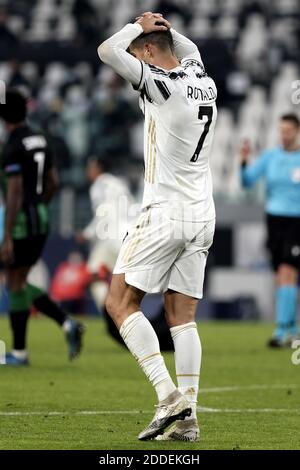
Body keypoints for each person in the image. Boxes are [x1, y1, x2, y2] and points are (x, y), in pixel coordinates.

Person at [98, 11, 217, 441]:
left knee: (118, 302)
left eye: (139, 52)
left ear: (148, 51)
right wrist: (164, 28)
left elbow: (106, 50)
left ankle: (169, 396)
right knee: (181, 315)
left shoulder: (161, 85)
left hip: (165, 211)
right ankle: (188, 420)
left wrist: (138, 25)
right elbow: (190, 50)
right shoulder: (201, 77)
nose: (135, 59)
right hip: (202, 212)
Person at [0, 89, 84, 365]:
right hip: (42, 217)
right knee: (18, 283)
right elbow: (53, 182)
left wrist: (9, 234)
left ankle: (21, 353)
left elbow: (14, 192)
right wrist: (41, 207)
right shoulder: (40, 139)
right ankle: (66, 323)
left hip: (21, 221)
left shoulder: (12, 145)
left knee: (15, 284)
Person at [240, 114, 300, 348]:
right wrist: (243, 161)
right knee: (281, 276)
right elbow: (247, 181)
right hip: (274, 220)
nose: (284, 135)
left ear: (296, 131)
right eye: (281, 130)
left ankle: (281, 330)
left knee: (287, 271)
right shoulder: (271, 156)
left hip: (297, 221)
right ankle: (293, 328)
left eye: (288, 131)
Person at [76, 157, 132, 309]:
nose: (88, 172)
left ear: (98, 169)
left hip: (109, 237)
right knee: (123, 280)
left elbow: (104, 213)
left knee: (93, 274)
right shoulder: (120, 183)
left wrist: (87, 233)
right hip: (128, 236)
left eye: (90, 168)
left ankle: (109, 312)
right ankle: (124, 313)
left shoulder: (99, 185)